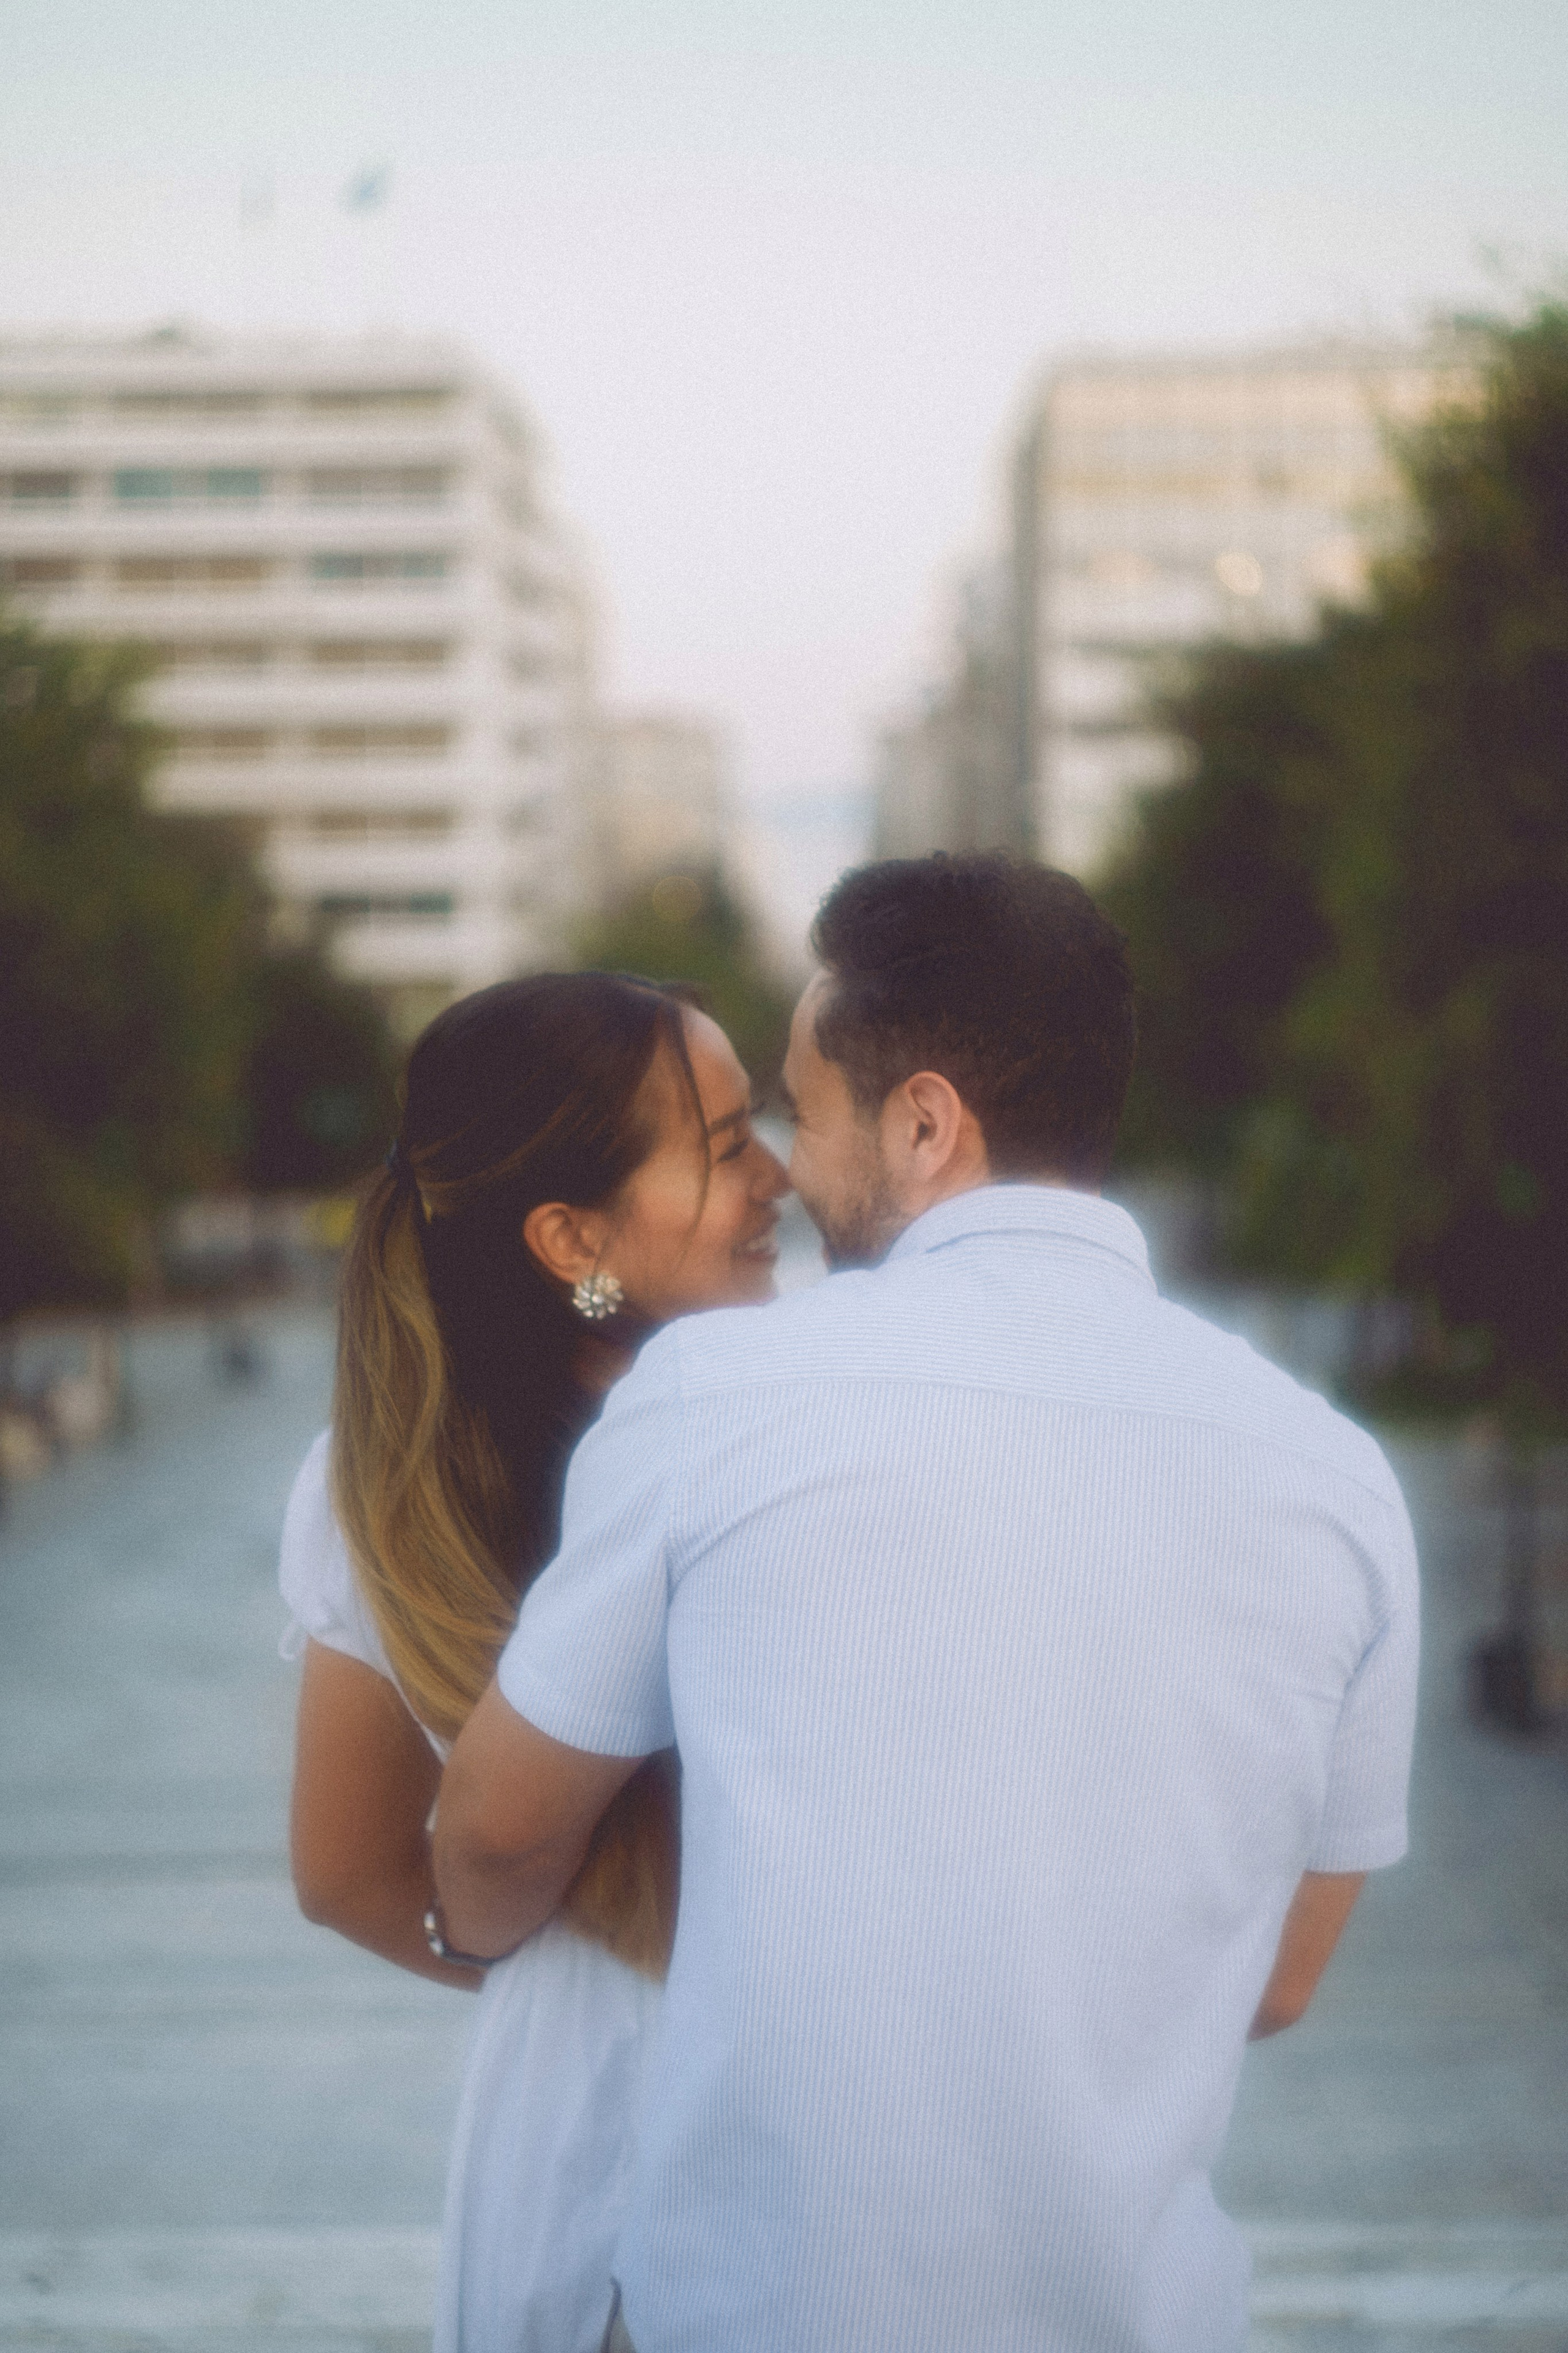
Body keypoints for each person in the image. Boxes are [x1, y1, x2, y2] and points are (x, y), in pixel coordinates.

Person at [433, 854, 1420, 2353]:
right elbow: (1276, 1976)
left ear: (923, 1121)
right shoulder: (1339, 1481)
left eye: (804, 1112)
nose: (785, 1162)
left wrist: (490, 1930)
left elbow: (496, 1835)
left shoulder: (713, 1395)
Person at [277, 971, 789, 2352]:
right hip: (823, 2154)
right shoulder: (799, 1445)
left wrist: (562, 1948)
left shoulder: (375, 1484)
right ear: (573, 1237)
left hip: (567, 2141)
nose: (780, 1179)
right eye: (731, 1146)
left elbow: (347, 1873)